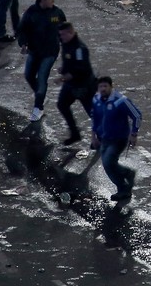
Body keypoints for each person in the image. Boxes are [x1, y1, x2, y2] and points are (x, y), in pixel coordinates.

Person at [90, 76, 142, 206]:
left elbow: (136, 115)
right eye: (100, 86)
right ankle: (124, 183)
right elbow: (94, 119)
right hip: (104, 138)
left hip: (119, 138)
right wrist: (93, 136)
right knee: (108, 166)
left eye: (105, 86)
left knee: (108, 162)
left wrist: (134, 134)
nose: (103, 89)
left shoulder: (120, 101)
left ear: (111, 87)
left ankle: (125, 181)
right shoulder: (96, 100)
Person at [16, 0, 66, 122]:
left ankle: (38, 107)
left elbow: (64, 30)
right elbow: (22, 30)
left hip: (50, 52)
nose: (53, 1)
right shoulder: (31, 13)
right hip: (34, 50)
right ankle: (41, 95)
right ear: (42, 0)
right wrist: (23, 43)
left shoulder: (57, 13)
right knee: (29, 75)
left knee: (42, 77)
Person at [55, 23, 97, 145]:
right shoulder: (66, 43)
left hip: (84, 86)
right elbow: (69, 61)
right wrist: (64, 68)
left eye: (63, 34)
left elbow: (81, 70)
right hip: (70, 85)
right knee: (62, 105)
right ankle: (75, 133)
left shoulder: (80, 49)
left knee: (93, 113)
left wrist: (62, 78)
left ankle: (102, 137)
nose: (61, 37)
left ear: (71, 32)